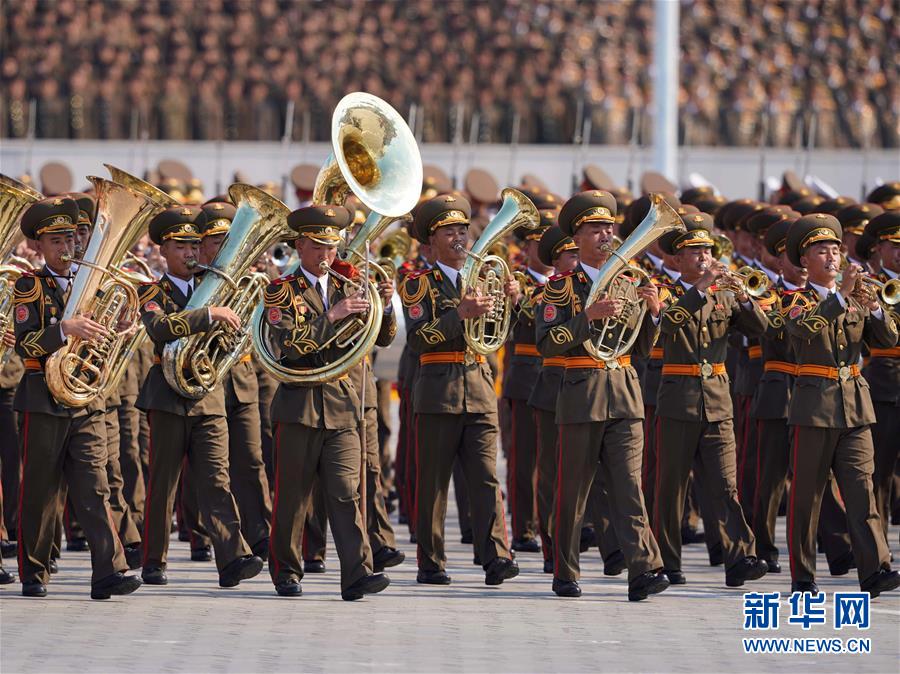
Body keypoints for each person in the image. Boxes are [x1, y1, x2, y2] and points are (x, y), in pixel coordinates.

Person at [535, 190, 668, 601]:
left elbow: (640, 348)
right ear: (576, 238)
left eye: (609, 227)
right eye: (596, 229)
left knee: (630, 486)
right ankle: (565, 571)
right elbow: (547, 342)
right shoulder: (560, 289)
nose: (606, 234)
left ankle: (644, 570)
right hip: (581, 394)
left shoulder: (630, 282)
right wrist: (585, 319)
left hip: (624, 394)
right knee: (573, 490)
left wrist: (655, 315)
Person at [13, 196, 141, 599]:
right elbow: (24, 345)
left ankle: (109, 571)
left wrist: (118, 326)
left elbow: (108, 339)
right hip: (43, 400)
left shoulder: (99, 283)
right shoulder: (29, 285)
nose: (67, 248)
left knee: (95, 486)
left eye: (71, 239)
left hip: (85, 401)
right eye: (56, 241)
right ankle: (34, 571)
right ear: (39, 246)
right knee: (40, 490)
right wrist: (64, 330)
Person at [263, 204, 391, 601]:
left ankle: (357, 573)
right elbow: (287, 347)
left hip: (341, 402)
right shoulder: (280, 291)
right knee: (293, 496)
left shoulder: (347, 285)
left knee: (345, 491)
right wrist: (331, 317)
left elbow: (380, 339)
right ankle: (286, 569)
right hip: (299, 405)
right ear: (300, 245)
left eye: (332, 248)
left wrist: (384, 307)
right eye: (318, 247)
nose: (327, 256)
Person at [136, 205, 262, 588]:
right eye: (181, 247)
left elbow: (234, 337)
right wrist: (207, 315)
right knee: (164, 483)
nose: (191, 253)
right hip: (167, 397)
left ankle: (232, 557)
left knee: (216, 480)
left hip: (208, 396)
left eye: (195, 246)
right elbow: (159, 328)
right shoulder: (151, 291)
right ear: (163, 252)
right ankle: (154, 560)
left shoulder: (217, 287)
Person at [400, 193, 519, 587]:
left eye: (462, 229)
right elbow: (420, 339)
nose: (459, 237)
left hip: (479, 388)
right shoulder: (418, 284)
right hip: (437, 391)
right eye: (449, 230)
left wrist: (512, 304)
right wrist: (460, 315)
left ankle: (496, 556)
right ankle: (431, 561)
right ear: (430, 242)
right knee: (433, 482)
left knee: (485, 478)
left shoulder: (484, 276)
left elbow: (499, 334)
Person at [783, 213, 900, 596]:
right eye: (822, 250)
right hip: (814, 407)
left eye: (836, 249)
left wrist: (876, 308)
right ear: (804, 260)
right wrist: (840, 296)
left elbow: (885, 336)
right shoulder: (794, 299)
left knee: (861, 490)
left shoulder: (853, 298)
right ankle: (803, 575)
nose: (833, 257)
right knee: (807, 497)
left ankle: (875, 569)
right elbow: (803, 329)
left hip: (854, 404)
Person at [653, 212, 769, 588]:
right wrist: (700, 288)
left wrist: (745, 299)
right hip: (677, 399)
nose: (704, 258)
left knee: (724, 484)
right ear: (677, 258)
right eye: (695, 252)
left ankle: (740, 557)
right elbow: (667, 324)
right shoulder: (663, 290)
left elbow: (761, 330)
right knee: (672, 487)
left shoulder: (723, 293)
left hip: (717, 399)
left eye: (707, 251)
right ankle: (667, 562)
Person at [528, 225, 578, 574]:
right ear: (557, 259)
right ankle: (551, 545)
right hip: (553, 386)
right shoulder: (550, 292)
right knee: (550, 474)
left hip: (591, 387)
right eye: (571, 254)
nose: (577, 259)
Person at [858, 211, 900, 545]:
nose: (899, 253)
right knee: (878, 474)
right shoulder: (869, 285)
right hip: (884, 385)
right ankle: (879, 550)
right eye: (893, 246)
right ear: (879, 248)